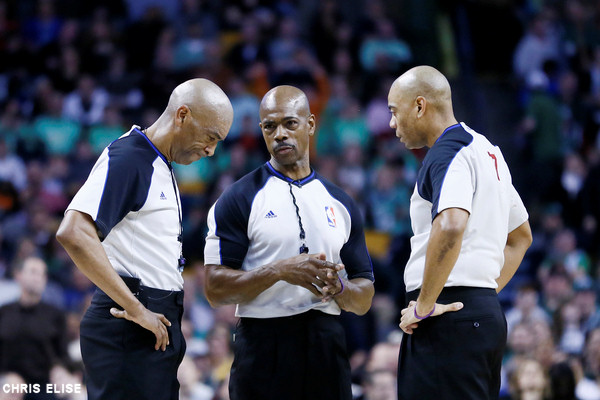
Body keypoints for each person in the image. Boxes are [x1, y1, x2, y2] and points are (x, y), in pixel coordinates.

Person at [56, 78, 233, 400]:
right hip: (129, 327)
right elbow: (74, 232)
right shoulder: (131, 158)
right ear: (182, 115)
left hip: (148, 325)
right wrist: (136, 308)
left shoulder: (157, 161)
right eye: (211, 137)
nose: (211, 150)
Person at [203, 85, 375, 400]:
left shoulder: (342, 203)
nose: (280, 134)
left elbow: (364, 297)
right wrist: (279, 271)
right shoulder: (238, 198)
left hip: (326, 342)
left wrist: (340, 288)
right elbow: (214, 289)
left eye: (290, 123)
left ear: (310, 124)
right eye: (270, 126)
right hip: (263, 343)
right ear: (261, 131)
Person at [387, 66, 533, 400]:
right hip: (482, 314)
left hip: (445, 321)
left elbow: (451, 224)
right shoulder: (489, 151)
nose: (392, 124)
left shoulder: (447, 151)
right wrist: (479, 295)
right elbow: (521, 237)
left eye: (395, 111)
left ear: (420, 106)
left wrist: (424, 305)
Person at [0, 256, 68, 387]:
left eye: (42, 274)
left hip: (44, 384)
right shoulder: (4, 312)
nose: (38, 278)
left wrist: (59, 369)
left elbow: (63, 354)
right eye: (33, 272)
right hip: (7, 382)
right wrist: (4, 376)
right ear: (18, 275)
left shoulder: (55, 314)